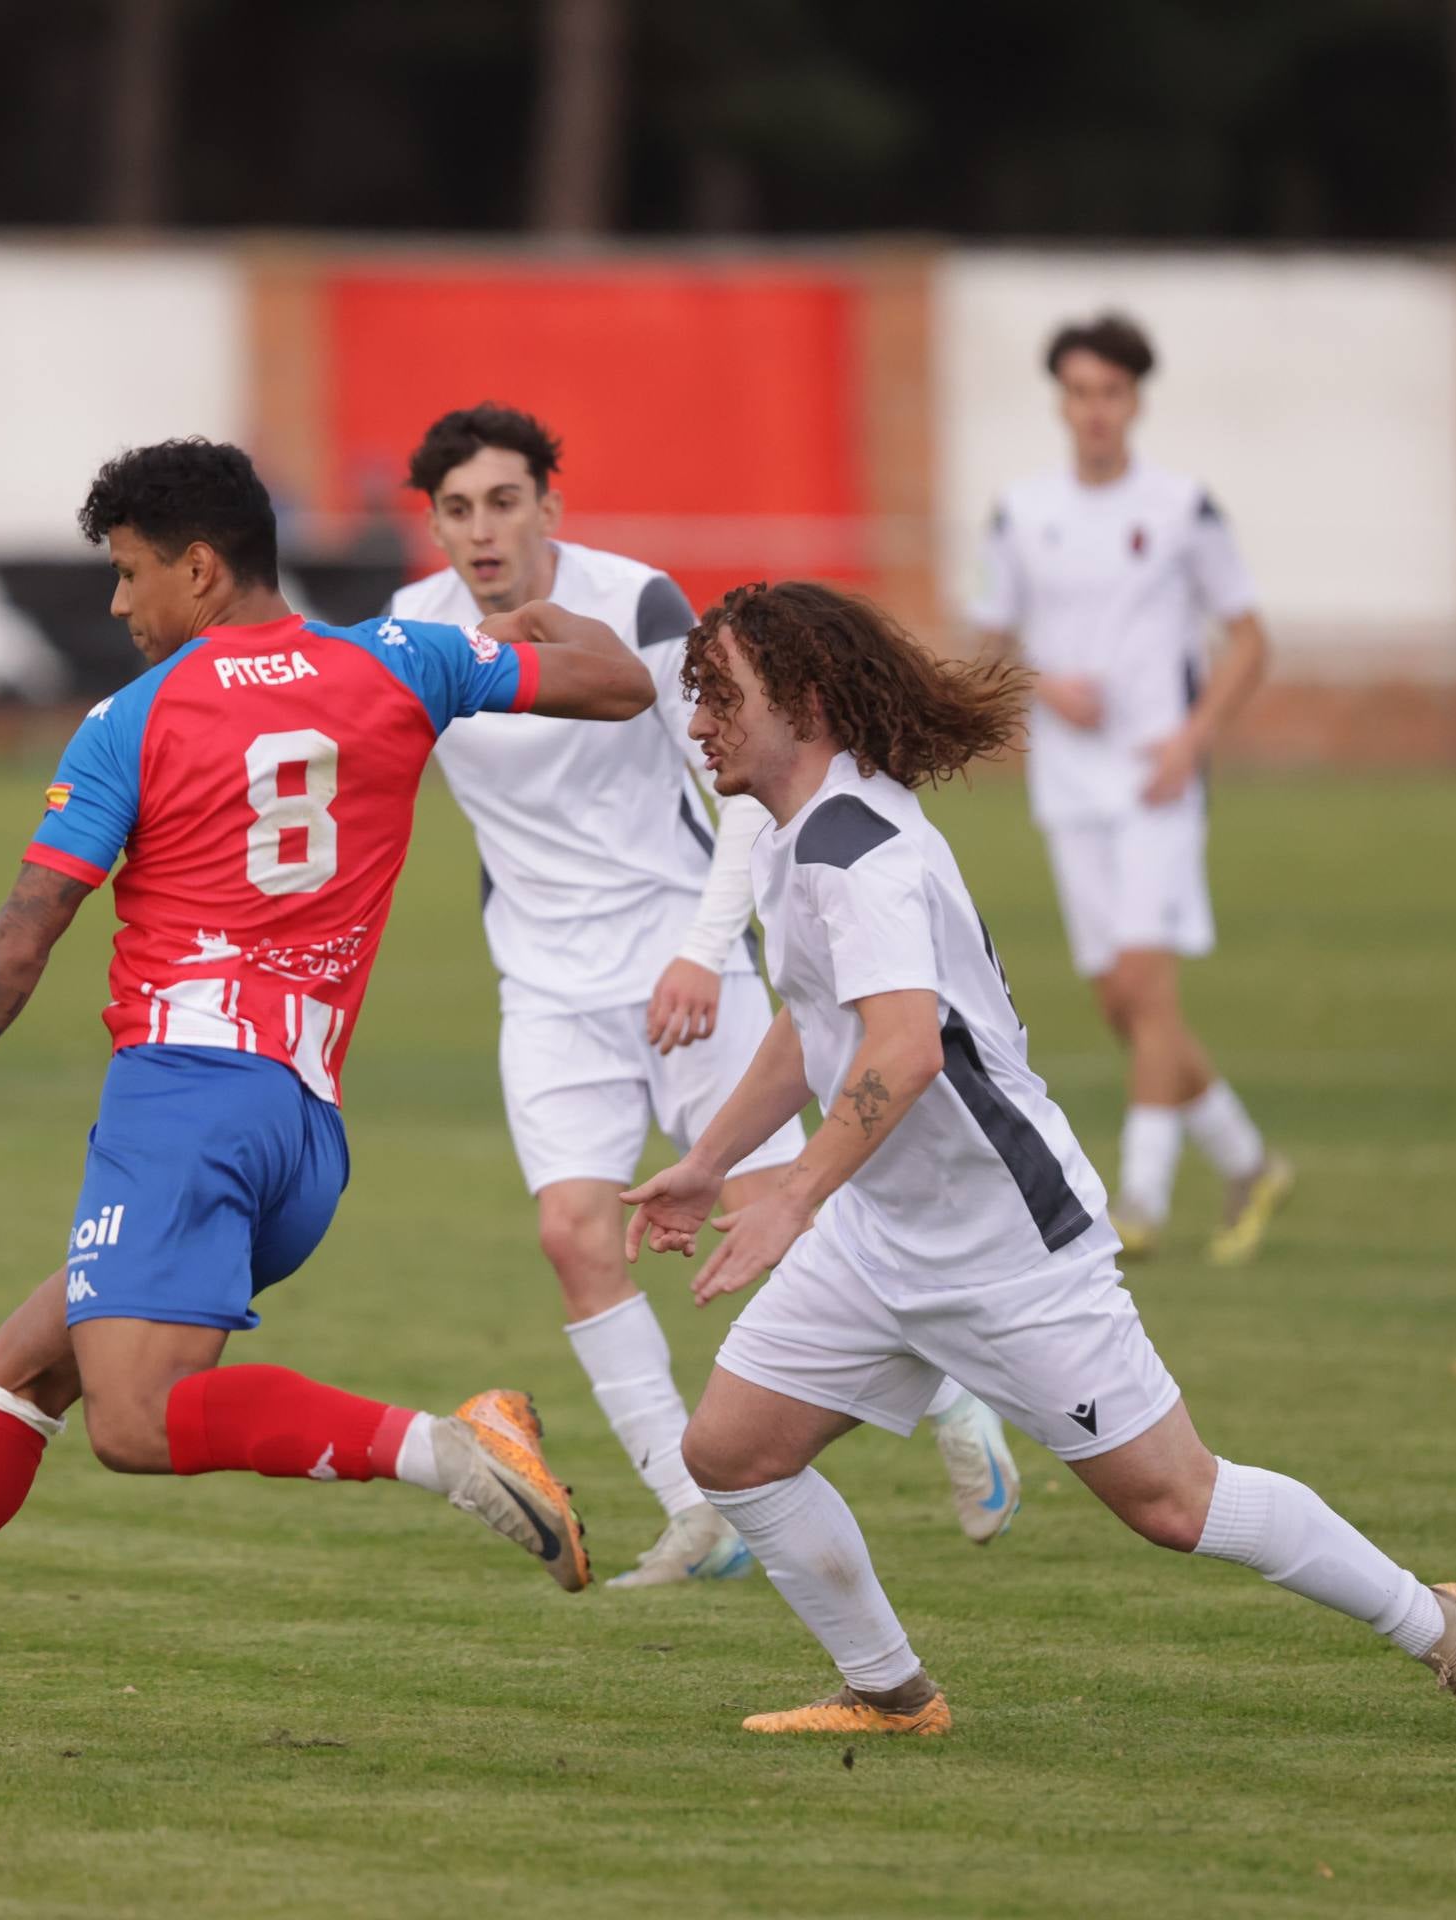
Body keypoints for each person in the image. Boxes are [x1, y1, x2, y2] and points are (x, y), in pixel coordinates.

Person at [0, 437, 660, 1725]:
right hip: (300, 1131)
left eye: (131, 574)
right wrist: (537, 619)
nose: (116, 604)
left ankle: (445, 1444)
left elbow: (20, 939)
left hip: (185, 1096)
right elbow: (622, 683)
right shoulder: (402, 659)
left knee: (136, 1423)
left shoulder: (131, 721)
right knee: (18, 1377)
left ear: (201, 569)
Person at [621, 579, 1456, 1745]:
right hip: (880, 1236)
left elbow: (903, 1053)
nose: (696, 719)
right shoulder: (792, 835)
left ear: (804, 703)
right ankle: (891, 1694)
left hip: (1007, 1243)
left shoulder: (859, 853)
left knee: (1173, 1502)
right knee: (730, 1453)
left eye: (719, 695)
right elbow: (817, 1022)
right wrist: (715, 1162)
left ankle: (1442, 1625)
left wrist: (793, 1198)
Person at [390, 404, 1021, 1584]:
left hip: (685, 962)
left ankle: (960, 1404)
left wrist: (699, 943)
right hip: (541, 983)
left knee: (797, 1209)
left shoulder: (636, 604)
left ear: (550, 507)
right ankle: (697, 1510)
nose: (483, 531)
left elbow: (734, 780)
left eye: (505, 502)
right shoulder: (410, 632)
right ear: (434, 524)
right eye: (458, 510)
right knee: (572, 1234)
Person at [969, 312, 1292, 1265]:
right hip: (1069, 790)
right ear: (1061, 402)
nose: (1095, 411)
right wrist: (1042, 680)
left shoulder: (1185, 507)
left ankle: (1140, 1202)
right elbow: (991, 642)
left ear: (1134, 402)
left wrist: (1193, 738)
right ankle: (1249, 1161)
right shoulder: (1019, 515)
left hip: (1157, 781)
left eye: (1111, 393)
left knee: (1148, 987)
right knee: (1123, 1002)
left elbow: (1251, 637)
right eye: (1079, 393)